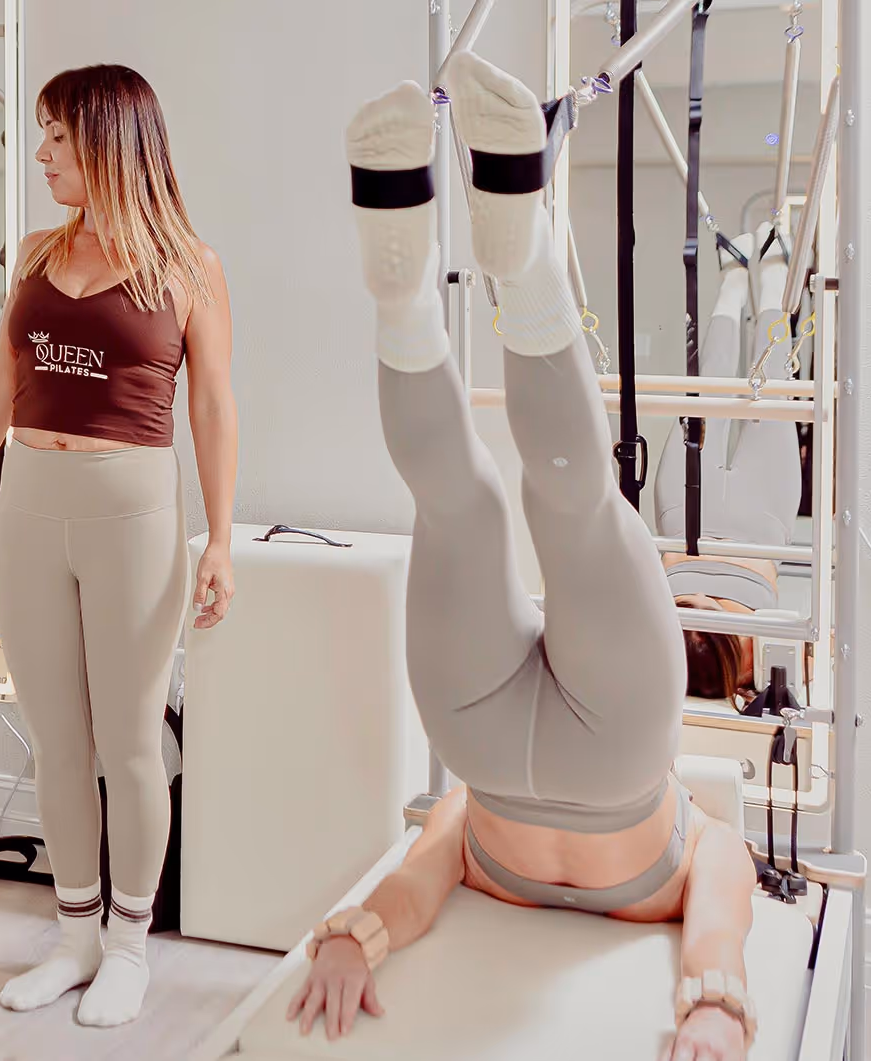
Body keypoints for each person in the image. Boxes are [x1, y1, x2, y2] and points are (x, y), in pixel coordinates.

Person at [289, 60, 758, 1061]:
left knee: (516, 507)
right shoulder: (699, 827)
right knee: (535, 507)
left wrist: (355, 936)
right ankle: (442, 282)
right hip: (556, 751)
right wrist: (716, 995)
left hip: (492, 755)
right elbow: (726, 895)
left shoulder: (458, 824)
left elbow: (415, 885)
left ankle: (436, 278)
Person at [0, 64, 239, 1028]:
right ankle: (75, 935)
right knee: (57, 737)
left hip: (131, 512)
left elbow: (215, 408)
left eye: (58, 135)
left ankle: (131, 944)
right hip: (30, 508)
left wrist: (221, 536)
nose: (44, 153)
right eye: (44, 134)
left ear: (110, 139)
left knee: (129, 740)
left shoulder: (189, 265)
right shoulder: (35, 255)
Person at [652, 225, 804, 707]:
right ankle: (772, 273)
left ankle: (737, 277)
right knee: (773, 379)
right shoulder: (746, 677)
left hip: (684, 522)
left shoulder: (661, 658)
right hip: (757, 526)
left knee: (709, 384)